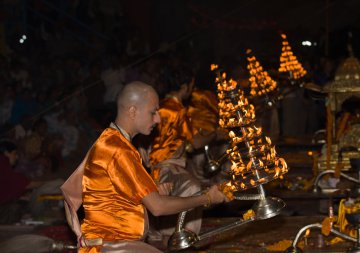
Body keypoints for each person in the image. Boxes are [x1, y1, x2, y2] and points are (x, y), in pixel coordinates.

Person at [61, 81, 230, 253]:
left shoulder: (109, 140)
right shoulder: (118, 149)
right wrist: (206, 198)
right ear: (133, 111)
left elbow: (100, 196)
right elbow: (157, 207)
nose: (158, 119)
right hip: (112, 246)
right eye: (153, 112)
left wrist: (150, 193)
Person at [145, 68, 219, 246]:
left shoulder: (159, 106)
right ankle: (180, 239)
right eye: (191, 86)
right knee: (192, 188)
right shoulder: (177, 110)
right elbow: (197, 143)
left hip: (156, 169)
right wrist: (214, 134)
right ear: (185, 86)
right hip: (166, 169)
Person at [0, 139, 41, 223]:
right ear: (6, 153)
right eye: (14, 153)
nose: (17, 157)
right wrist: (51, 184)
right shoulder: (3, 163)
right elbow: (25, 184)